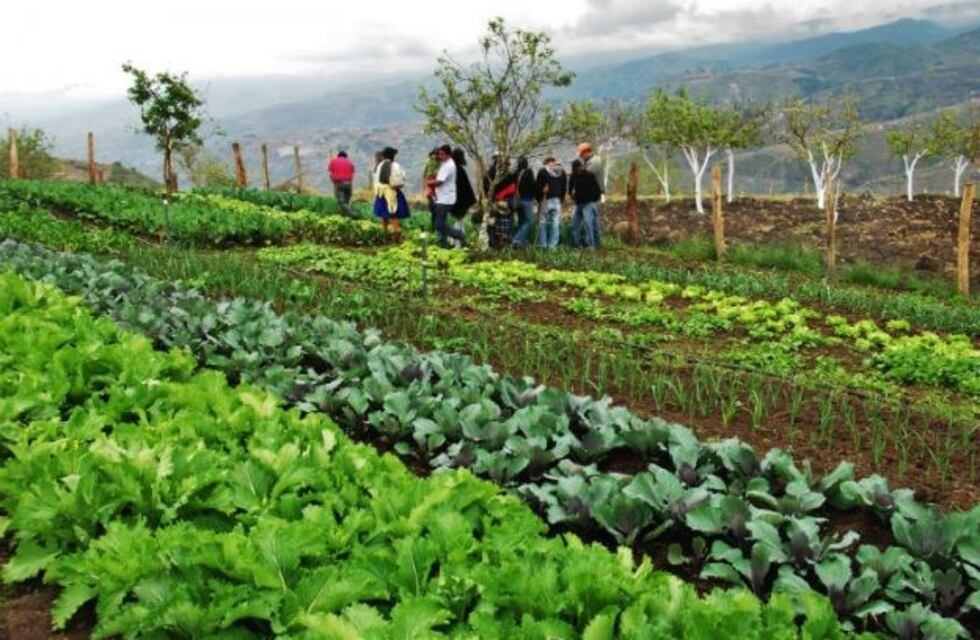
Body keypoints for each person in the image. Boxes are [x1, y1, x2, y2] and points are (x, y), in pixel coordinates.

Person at [427, 144, 466, 248]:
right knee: (441, 222)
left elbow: (439, 181)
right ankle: (443, 244)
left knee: (439, 224)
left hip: (445, 199)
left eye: (442, 154)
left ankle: (459, 235)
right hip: (442, 198)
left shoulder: (449, 165)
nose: (440, 156)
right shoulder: (445, 163)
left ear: (448, 154)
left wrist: (429, 182)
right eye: (439, 154)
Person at [372, 146, 409, 240]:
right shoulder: (395, 165)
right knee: (394, 213)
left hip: (381, 192)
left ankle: (384, 233)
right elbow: (399, 179)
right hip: (392, 191)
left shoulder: (380, 165)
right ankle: (395, 233)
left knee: (383, 214)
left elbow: (375, 177)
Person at [569, 158, 602, 249]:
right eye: (575, 169)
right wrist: (571, 195)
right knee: (574, 224)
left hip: (589, 203)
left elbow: (597, 189)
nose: (578, 170)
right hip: (578, 203)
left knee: (589, 224)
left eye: (579, 167)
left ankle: (591, 245)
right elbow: (570, 188)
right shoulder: (573, 176)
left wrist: (593, 200)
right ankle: (576, 244)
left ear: (582, 167)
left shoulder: (589, 175)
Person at [535, 156, 567, 250]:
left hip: (545, 200)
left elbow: (538, 186)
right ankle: (552, 246)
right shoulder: (562, 172)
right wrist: (560, 199)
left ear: (546, 162)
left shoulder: (543, 171)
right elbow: (564, 188)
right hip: (557, 200)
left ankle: (543, 245)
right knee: (555, 223)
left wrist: (539, 199)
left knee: (542, 222)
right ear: (554, 161)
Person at [575, 142, 603, 247]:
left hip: (590, 196)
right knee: (593, 221)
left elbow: (585, 175)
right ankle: (596, 243)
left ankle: (590, 244)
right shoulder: (590, 161)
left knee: (588, 222)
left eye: (582, 154)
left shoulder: (594, 162)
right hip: (590, 195)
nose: (581, 157)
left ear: (587, 152)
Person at [451, 147, 477, 246]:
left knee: (459, 221)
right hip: (460, 202)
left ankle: (458, 241)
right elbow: (467, 187)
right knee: (459, 221)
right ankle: (457, 243)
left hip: (452, 201)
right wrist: (472, 200)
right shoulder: (460, 170)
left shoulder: (452, 169)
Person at [511, 157, 537, 247]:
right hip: (527, 200)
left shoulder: (515, 173)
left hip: (517, 201)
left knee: (521, 221)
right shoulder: (528, 172)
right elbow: (533, 185)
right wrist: (535, 198)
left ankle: (523, 243)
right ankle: (517, 240)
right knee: (529, 221)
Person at [327, 150, 355, 217]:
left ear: (338, 156)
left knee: (341, 202)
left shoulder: (333, 161)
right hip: (349, 184)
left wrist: (334, 182)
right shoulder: (350, 162)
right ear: (346, 156)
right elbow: (352, 174)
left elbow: (330, 173)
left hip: (339, 183)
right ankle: (345, 218)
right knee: (346, 202)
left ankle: (352, 213)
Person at [422, 148, 440, 230]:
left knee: (434, 211)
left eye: (436, 154)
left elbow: (425, 176)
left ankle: (435, 228)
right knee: (435, 211)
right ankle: (435, 228)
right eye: (434, 154)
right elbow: (425, 176)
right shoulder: (432, 163)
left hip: (433, 191)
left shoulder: (432, 163)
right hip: (433, 191)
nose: (435, 156)